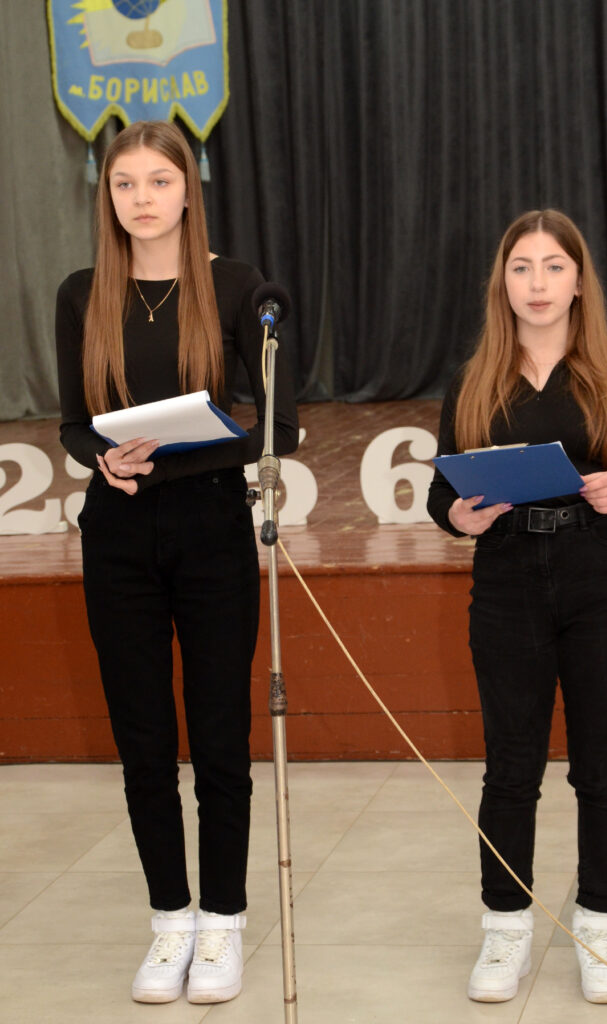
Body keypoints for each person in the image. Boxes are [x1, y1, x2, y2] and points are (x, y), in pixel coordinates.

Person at [55, 120, 299, 1005]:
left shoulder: (237, 287)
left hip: (211, 533)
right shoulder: (81, 292)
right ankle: (171, 920)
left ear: (189, 191)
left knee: (220, 735)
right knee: (143, 740)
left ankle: (223, 920)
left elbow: (280, 428)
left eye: (159, 181)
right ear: (108, 198)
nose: (142, 198)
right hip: (116, 536)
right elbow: (73, 423)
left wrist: (167, 457)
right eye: (125, 184)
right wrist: (105, 460)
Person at [427, 209, 607, 1005]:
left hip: (601, 579)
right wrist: (457, 516)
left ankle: (600, 926)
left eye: (553, 267)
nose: (537, 283)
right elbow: (441, 494)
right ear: (501, 282)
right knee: (510, 769)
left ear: (577, 281)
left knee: (600, 770)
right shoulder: (474, 377)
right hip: (506, 583)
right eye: (521, 267)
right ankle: (505, 929)